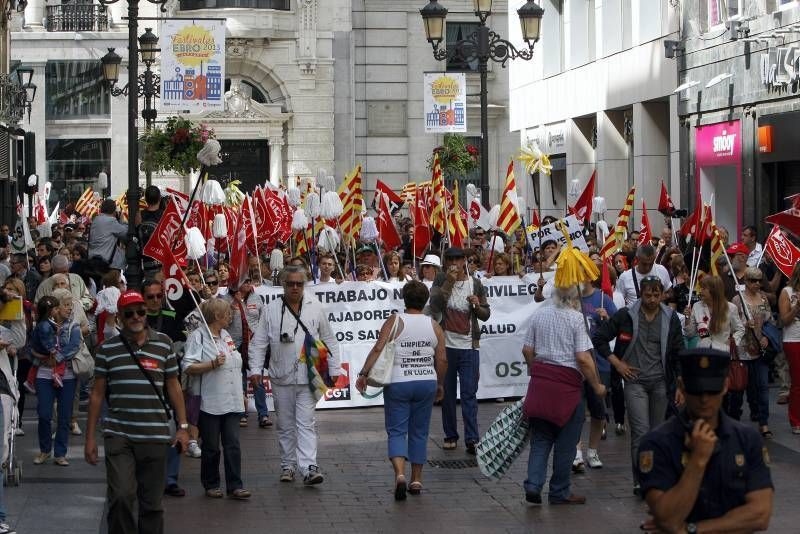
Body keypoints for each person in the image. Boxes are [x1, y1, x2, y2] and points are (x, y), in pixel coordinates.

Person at [85, 290, 190, 534]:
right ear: (120, 317)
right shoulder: (107, 349)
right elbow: (97, 394)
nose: (136, 317)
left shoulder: (163, 343)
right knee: (121, 496)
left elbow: (173, 385)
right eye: (129, 313)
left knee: (151, 504)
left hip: (154, 435)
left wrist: (183, 427)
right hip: (119, 434)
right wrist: (90, 438)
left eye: (140, 311)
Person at [637, 348, 773, 533]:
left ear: (725, 386)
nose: (704, 399)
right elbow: (668, 518)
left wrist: (693, 529)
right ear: (682, 386)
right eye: (696, 390)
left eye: (712, 390)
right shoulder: (657, 443)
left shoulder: (747, 440)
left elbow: (760, 514)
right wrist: (698, 461)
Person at [591, 275, 685, 495]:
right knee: (641, 432)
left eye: (656, 294)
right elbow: (600, 338)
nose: (651, 299)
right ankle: (641, 480)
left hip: (661, 381)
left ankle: (657, 477)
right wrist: (617, 363)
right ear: (640, 294)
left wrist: (681, 384)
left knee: (658, 432)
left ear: (662, 294)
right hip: (635, 382)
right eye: (647, 295)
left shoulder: (670, 318)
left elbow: (678, 352)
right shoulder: (626, 316)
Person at [248, 266, 341, 485]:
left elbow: (330, 340)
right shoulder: (271, 310)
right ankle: (287, 465)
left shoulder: (315, 307)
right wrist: (255, 370)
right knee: (285, 424)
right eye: (291, 284)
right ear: (283, 285)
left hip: (308, 376)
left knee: (306, 422)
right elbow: (259, 343)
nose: (295, 288)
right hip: (281, 376)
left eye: (300, 284)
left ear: (305, 284)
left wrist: (335, 369)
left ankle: (309, 467)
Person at [356, 281, 447, 500]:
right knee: (419, 432)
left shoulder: (395, 320)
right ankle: (416, 479)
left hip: (398, 382)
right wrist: (440, 383)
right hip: (426, 381)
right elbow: (442, 358)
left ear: (404, 299)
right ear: (425, 300)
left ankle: (399, 475)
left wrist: (364, 373)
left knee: (397, 431)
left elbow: (379, 347)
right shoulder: (434, 325)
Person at [522, 285, 607, 505]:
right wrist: (596, 385)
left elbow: (527, 350)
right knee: (566, 442)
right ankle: (559, 491)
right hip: (567, 386)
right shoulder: (576, 319)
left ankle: (533, 484)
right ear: (574, 299)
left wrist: (536, 370)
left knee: (540, 438)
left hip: (541, 383)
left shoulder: (538, 316)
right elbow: (583, 358)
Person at [182, 298, 251, 500]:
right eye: (228, 313)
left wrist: (241, 393)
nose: (231, 316)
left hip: (232, 401)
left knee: (233, 445)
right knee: (211, 447)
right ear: (218, 316)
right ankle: (211, 484)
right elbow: (187, 366)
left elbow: (234, 365)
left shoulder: (226, 335)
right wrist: (211, 364)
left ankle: (235, 485)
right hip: (210, 402)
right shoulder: (199, 337)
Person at [429, 247, 491, 455]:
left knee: (468, 394)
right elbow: (436, 305)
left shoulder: (476, 283)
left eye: (458, 259)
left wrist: (476, 306)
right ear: (445, 262)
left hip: (468, 347)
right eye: (450, 260)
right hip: (445, 347)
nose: (454, 263)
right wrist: (448, 281)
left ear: (465, 260)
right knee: (446, 395)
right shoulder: (440, 280)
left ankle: (472, 438)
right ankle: (450, 435)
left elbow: (486, 314)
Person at [31, 293, 81, 466]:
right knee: (44, 414)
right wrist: (39, 355)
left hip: (67, 376)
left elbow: (74, 347)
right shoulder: (43, 325)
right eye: (65, 305)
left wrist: (56, 357)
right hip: (44, 375)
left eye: (70, 305)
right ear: (55, 309)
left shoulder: (73, 326)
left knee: (64, 417)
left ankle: (60, 453)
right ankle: (45, 450)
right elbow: (33, 346)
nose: (69, 308)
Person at [577, 279, 617, 469]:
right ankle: (576, 452)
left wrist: (607, 318)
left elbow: (618, 327)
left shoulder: (603, 298)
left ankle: (592, 451)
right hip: (576, 363)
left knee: (599, 410)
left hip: (599, 362)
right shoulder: (570, 297)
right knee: (575, 411)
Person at [729, 267, 774, 439]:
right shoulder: (737, 300)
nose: (757, 284)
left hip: (760, 350)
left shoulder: (763, 299)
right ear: (746, 281)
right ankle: (733, 423)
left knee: (762, 387)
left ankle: (764, 423)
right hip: (742, 350)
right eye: (753, 280)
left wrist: (767, 338)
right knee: (738, 388)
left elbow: (770, 321)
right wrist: (743, 323)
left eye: (759, 280)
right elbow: (731, 324)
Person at [684, 275, 745, 353]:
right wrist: (687, 318)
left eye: (704, 288)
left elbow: (740, 329)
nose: (700, 291)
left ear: (714, 290)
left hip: (722, 353)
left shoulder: (731, 308)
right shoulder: (696, 306)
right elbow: (690, 334)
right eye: (700, 288)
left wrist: (732, 342)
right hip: (703, 354)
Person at [778, 262, 800, 434]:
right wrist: (797, 307)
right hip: (794, 340)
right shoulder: (787, 292)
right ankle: (795, 420)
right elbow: (784, 320)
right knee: (797, 382)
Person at [88, 199, 128, 271]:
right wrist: (122, 220)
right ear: (114, 211)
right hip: (107, 263)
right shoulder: (110, 221)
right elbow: (125, 232)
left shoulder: (96, 219)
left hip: (93, 259)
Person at [138, 185, 164, 278]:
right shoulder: (165, 216)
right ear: (159, 198)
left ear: (145, 199)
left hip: (145, 263)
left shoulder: (139, 216)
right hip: (162, 264)